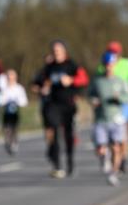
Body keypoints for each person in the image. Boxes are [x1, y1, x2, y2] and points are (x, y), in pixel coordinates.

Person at [32, 41, 89, 178]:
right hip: (53, 104)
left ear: (64, 51)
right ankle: (57, 165)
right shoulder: (49, 67)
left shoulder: (72, 65)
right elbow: (37, 82)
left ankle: (70, 162)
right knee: (55, 131)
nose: (56, 52)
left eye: (59, 50)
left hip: (68, 104)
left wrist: (71, 80)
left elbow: (84, 79)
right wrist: (42, 88)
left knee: (68, 135)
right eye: (54, 50)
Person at [88, 51, 128, 186]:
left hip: (116, 119)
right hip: (101, 119)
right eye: (106, 64)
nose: (108, 67)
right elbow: (89, 95)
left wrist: (119, 98)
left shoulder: (120, 81)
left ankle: (113, 173)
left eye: (111, 64)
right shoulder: (98, 81)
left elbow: (127, 98)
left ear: (115, 65)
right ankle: (104, 160)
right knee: (101, 148)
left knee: (116, 148)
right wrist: (93, 100)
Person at [0, 69, 28, 154]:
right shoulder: (4, 88)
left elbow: (24, 101)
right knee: (6, 128)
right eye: (9, 76)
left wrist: (17, 102)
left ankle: (14, 142)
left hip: (15, 112)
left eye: (12, 76)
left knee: (14, 128)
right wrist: (6, 101)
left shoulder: (19, 88)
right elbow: (0, 100)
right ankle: (8, 143)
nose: (10, 78)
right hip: (6, 112)